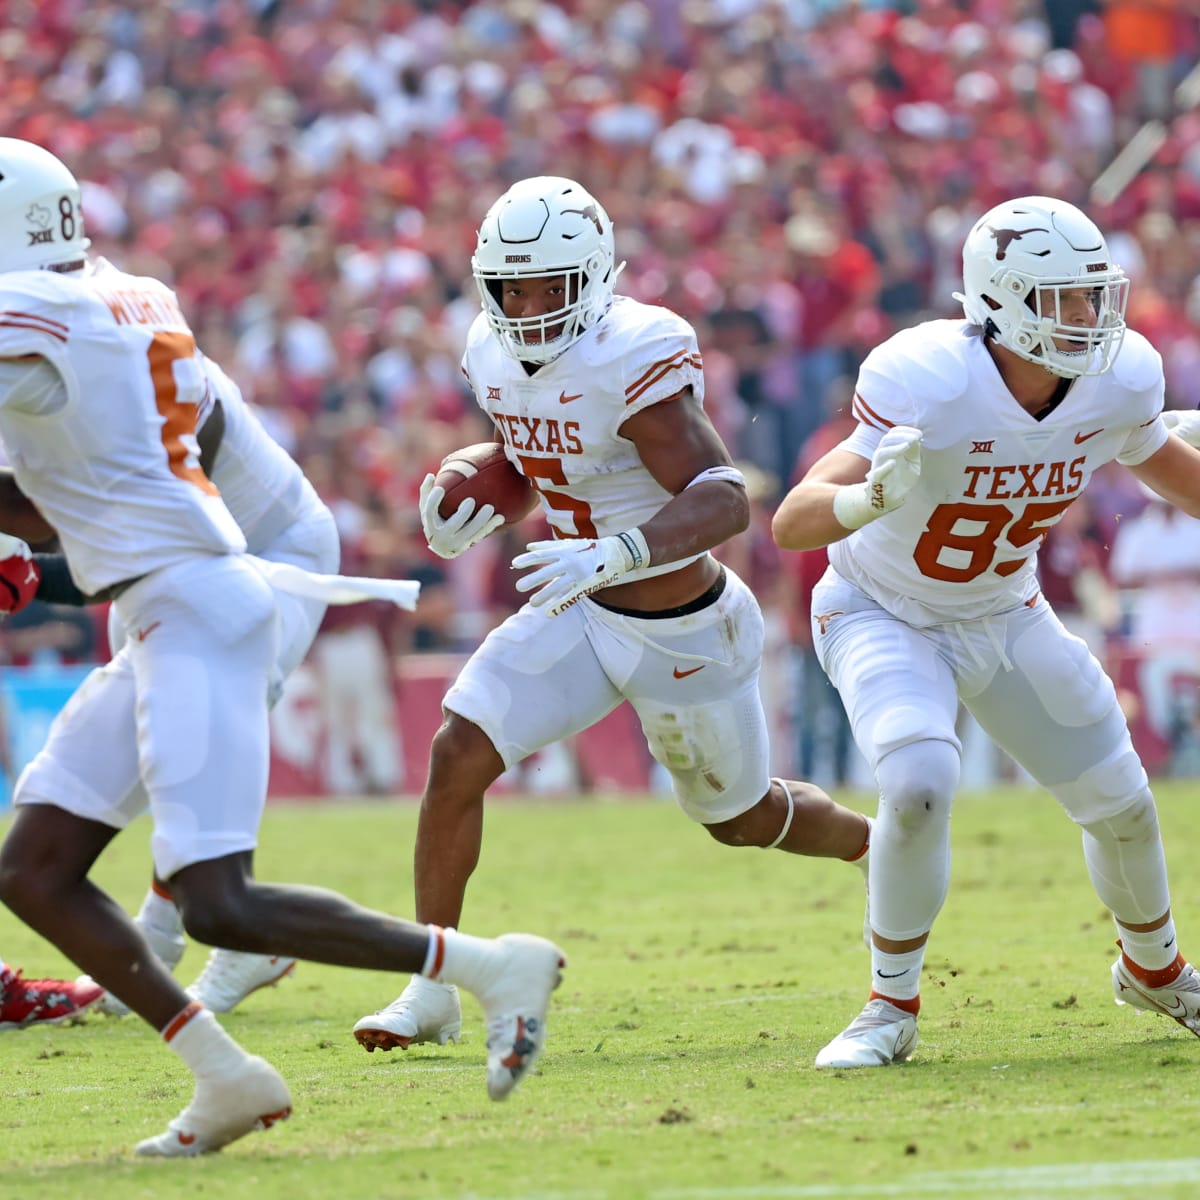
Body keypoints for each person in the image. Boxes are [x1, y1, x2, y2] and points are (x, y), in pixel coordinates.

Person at [0, 137, 566, 1157]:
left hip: (198, 605)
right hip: (182, 592)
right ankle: (225, 1077)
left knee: (222, 900)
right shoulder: (121, 295)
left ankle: (488, 966)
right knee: (36, 869)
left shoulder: (43, 315)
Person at [352, 176, 872, 1053]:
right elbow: (541, 463)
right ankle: (433, 984)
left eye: (547, 283)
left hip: (684, 624)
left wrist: (621, 549)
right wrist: (474, 501)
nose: (527, 303)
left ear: (592, 278)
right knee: (457, 750)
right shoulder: (489, 347)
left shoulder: (632, 351)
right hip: (580, 610)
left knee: (739, 820)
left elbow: (723, 494)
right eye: (511, 285)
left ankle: (879, 845)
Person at [771, 194, 1200, 1068]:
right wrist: (863, 499)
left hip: (1003, 608)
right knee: (922, 779)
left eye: (1093, 296)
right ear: (1001, 303)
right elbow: (791, 520)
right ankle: (889, 1007)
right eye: (1067, 300)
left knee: (1120, 801)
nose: (1090, 317)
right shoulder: (929, 377)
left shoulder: (1118, 380)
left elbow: (1173, 473)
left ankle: (1155, 972)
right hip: (881, 609)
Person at [40, 355, 340, 1015]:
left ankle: (203, 937)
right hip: (177, 565)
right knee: (152, 742)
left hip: (270, 554)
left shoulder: (152, 375)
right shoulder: (72, 371)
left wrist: (29, 576)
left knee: (205, 718)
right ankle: (164, 936)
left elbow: (133, 543)